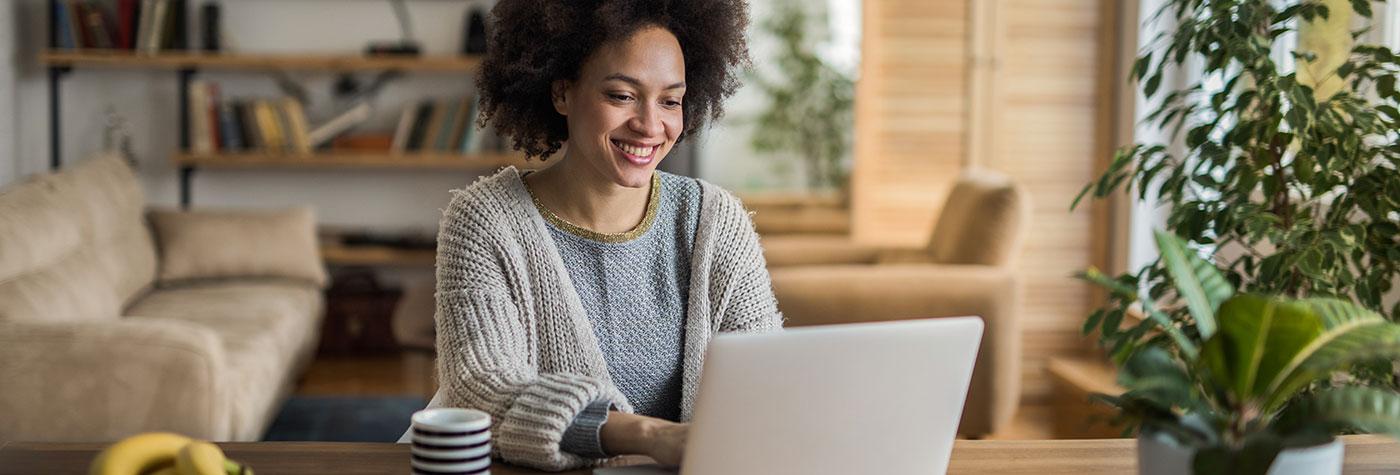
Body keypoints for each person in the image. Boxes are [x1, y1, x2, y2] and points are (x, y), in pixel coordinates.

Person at [408, 0, 783, 471]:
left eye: (670, 100)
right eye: (622, 95)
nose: (650, 125)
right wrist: (649, 435)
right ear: (562, 92)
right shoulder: (485, 220)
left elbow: (768, 380)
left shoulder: (715, 221)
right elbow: (481, 389)